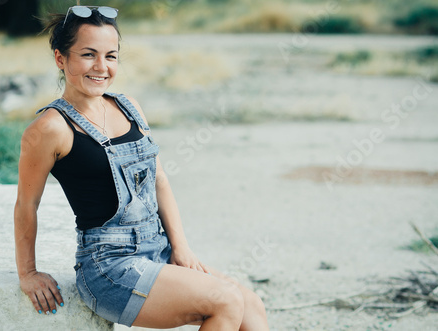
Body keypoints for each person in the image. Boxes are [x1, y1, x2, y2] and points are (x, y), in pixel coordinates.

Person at [14, 5, 269, 330]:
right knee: (225, 300)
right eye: (88, 55)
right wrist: (28, 273)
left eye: (111, 56)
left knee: (250, 304)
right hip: (109, 266)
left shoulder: (130, 107)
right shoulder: (49, 128)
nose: (101, 67)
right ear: (61, 59)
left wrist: (181, 247)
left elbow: (159, 180)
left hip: (156, 248)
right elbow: (26, 205)